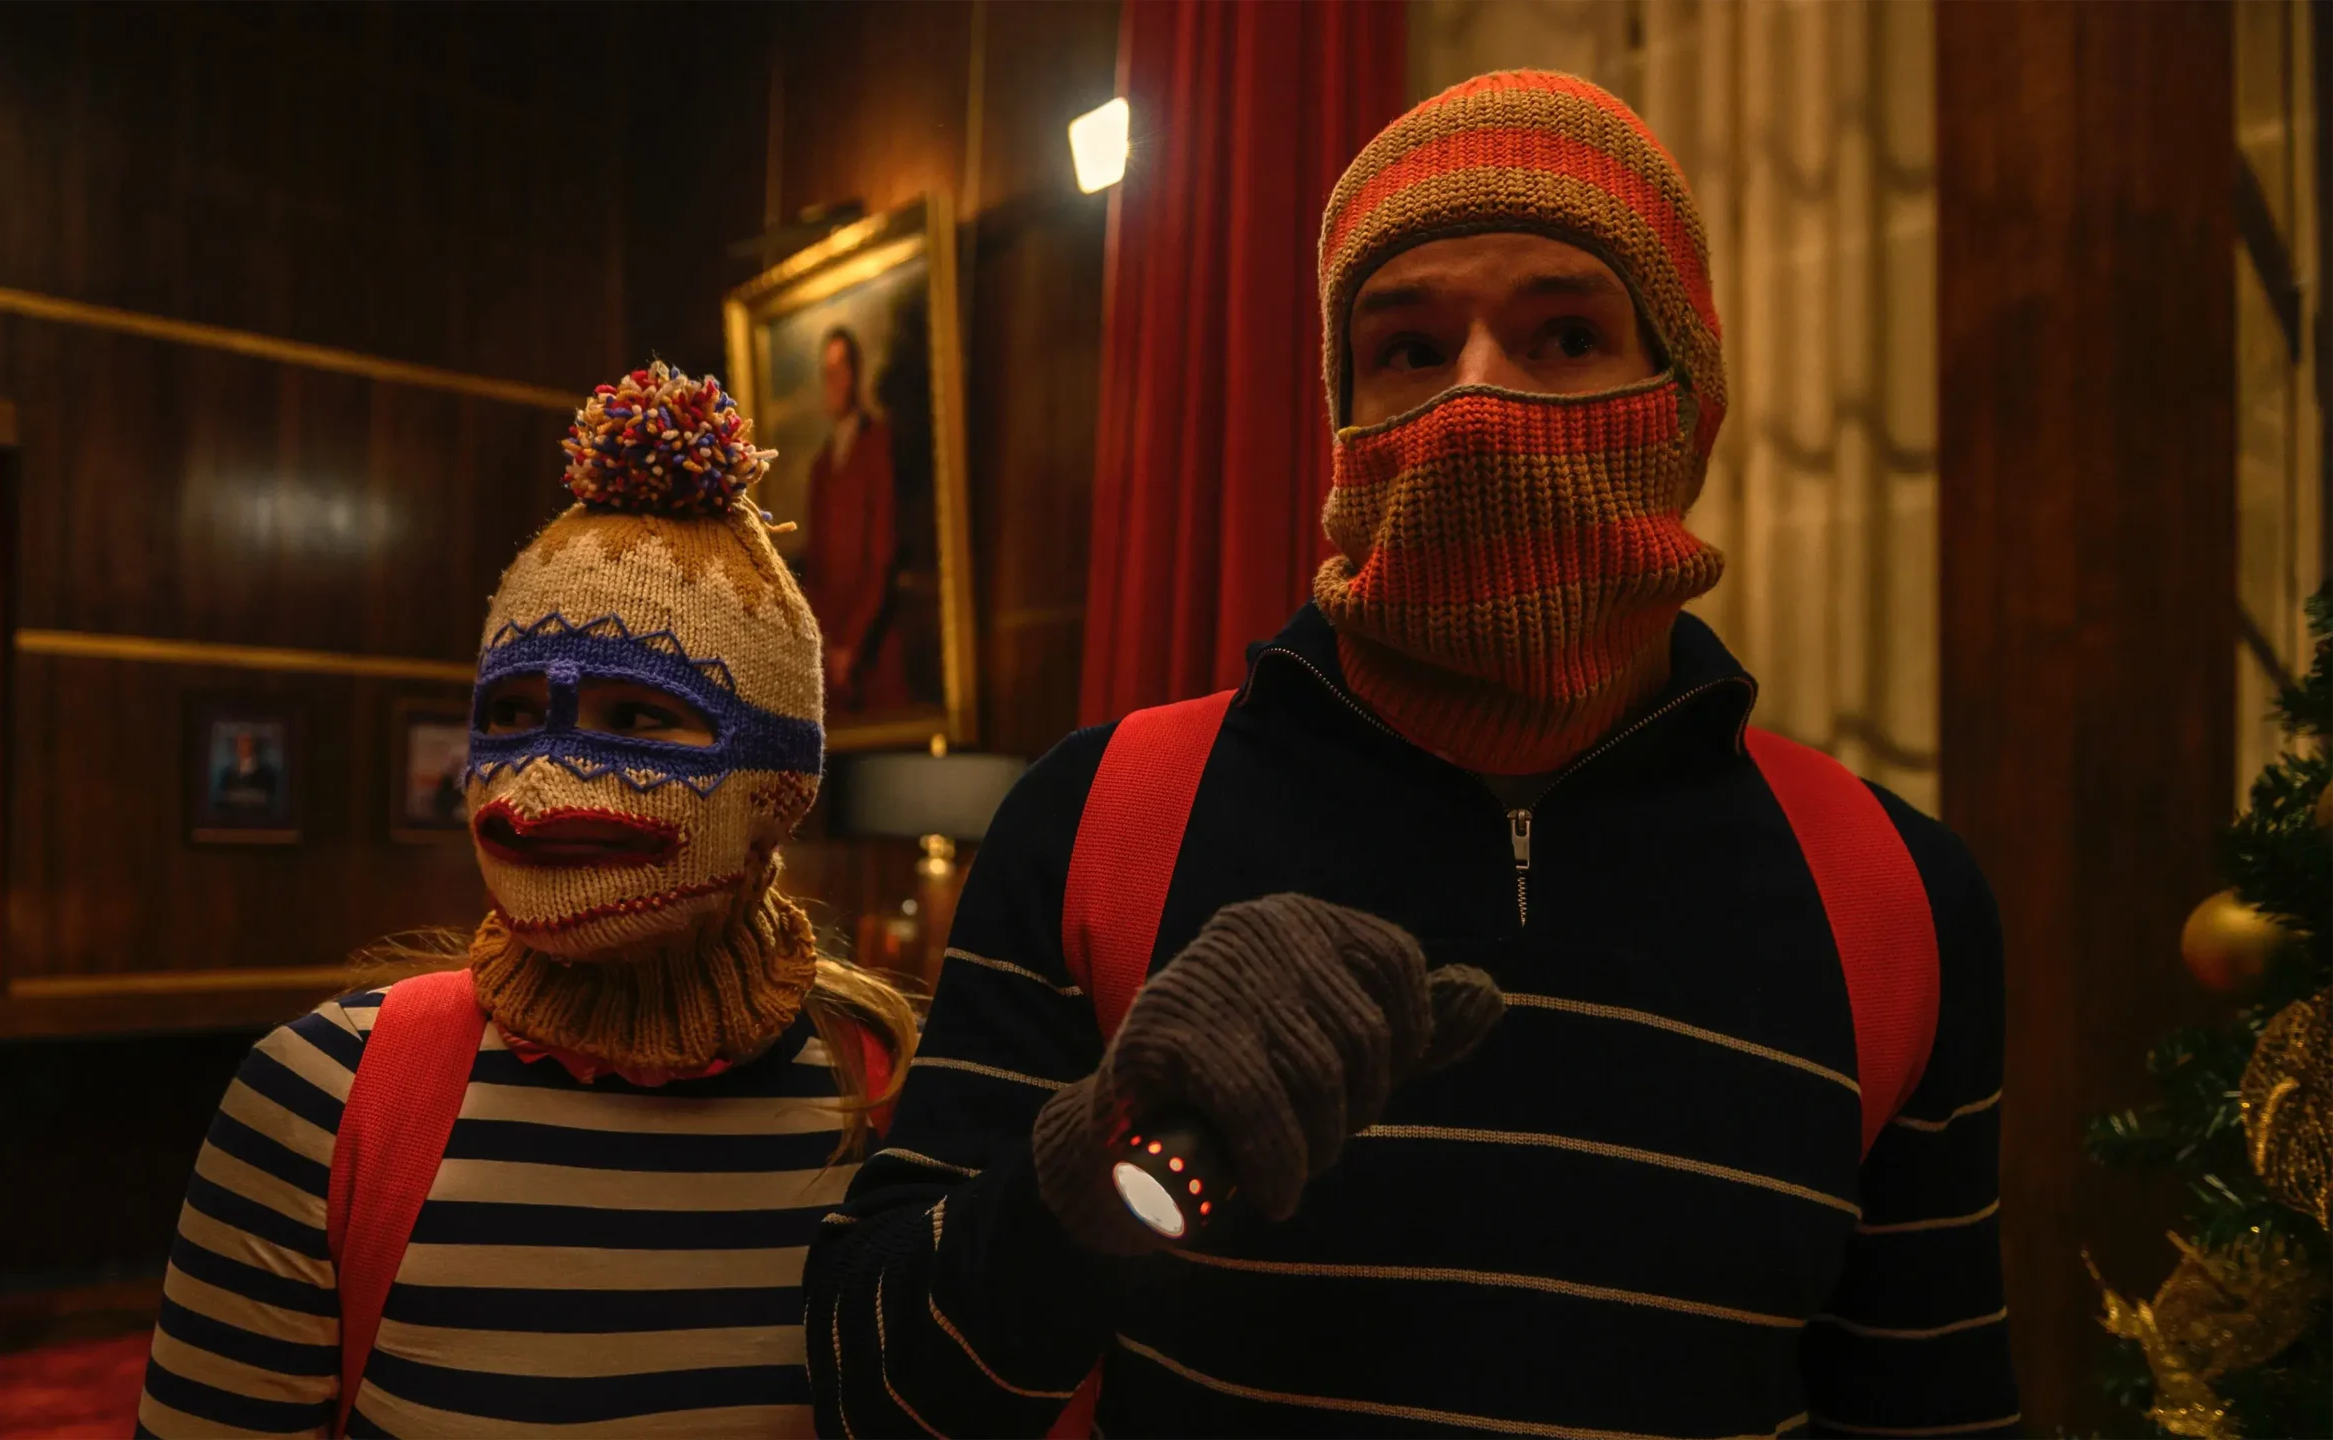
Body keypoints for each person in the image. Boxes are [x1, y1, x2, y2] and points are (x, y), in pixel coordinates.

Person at [805, 70, 2020, 1437]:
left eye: (1567, 334)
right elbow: (873, 1394)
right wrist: (1100, 1161)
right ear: (1341, 425)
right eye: (1410, 348)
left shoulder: (1894, 899)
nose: (1475, 403)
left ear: (1688, 407)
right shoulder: (1103, 820)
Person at [137, 364, 919, 1438]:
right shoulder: (322, 1099)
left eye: (637, 718)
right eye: (509, 714)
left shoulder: (889, 1102)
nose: (540, 782)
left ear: (783, 781)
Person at [803, 326, 911, 714]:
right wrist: (827, 646)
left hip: (873, 647)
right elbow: (816, 565)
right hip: (833, 660)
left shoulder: (877, 443)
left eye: (840, 369)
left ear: (855, 374)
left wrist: (852, 644)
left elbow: (883, 555)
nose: (833, 381)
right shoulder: (821, 467)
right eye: (827, 371)